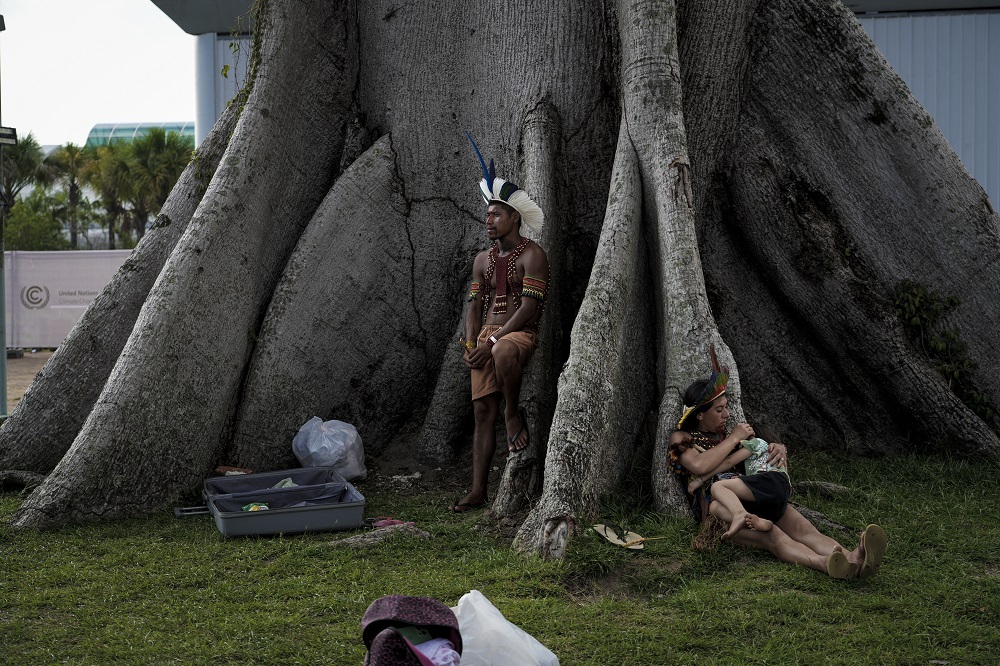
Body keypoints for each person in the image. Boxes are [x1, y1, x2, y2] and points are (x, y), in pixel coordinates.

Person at [668, 347, 888, 579]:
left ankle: (855, 558)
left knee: (806, 531)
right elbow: (699, 467)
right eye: (719, 409)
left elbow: (758, 453)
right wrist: (734, 438)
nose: (727, 415)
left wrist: (777, 449)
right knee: (774, 537)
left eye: (727, 408)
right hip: (721, 510)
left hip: (751, 491)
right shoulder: (682, 437)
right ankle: (827, 564)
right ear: (700, 415)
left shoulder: (730, 434)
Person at [449, 136, 550, 514]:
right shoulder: (481, 260)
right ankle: (477, 491)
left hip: (516, 334)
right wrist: (472, 344)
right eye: (487, 215)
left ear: (514, 218)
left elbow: (528, 308)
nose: (488, 220)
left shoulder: (534, 255)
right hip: (487, 336)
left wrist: (496, 340)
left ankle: (513, 412)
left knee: (505, 351)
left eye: (496, 215)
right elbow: (474, 307)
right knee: (479, 413)